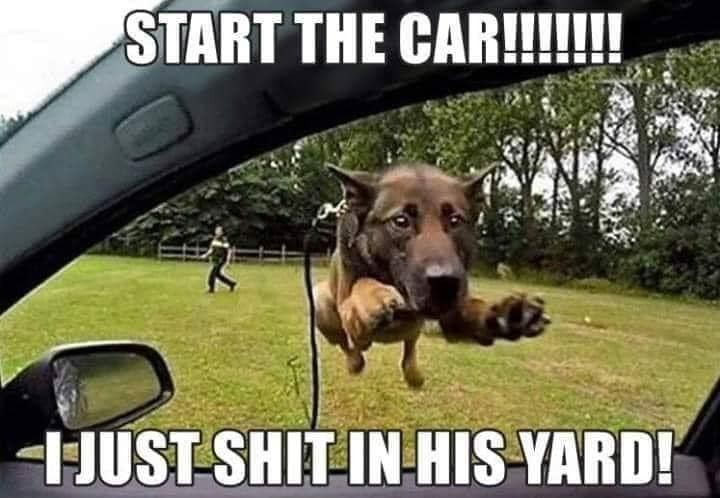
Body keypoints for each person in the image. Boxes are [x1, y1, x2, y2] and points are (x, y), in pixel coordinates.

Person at [201, 225, 236, 293]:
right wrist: (206, 255)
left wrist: (228, 262)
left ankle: (211, 289)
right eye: (216, 230)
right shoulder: (214, 240)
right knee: (217, 274)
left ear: (222, 232)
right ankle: (231, 284)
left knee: (212, 274)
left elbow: (229, 251)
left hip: (221, 259)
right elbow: (211, 250)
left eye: (219, 231)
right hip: (215, 259)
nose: (217, 232)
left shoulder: (224, 240)